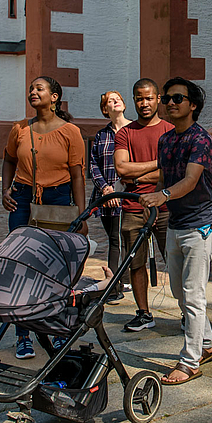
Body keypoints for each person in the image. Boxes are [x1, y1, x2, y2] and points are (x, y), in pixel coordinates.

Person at [139, 78, 212, 384]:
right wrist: (145, 186)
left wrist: (163, 196)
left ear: (193, 105)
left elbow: (190, 179)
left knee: (193, 295)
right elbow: (166, 172)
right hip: (176, 221)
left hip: (200, 224)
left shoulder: (201, 139)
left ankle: (190, 361)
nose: (171, 103)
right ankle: (209, 344)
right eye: (168, 99)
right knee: (179, 292)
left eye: (178, 98)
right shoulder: (167, 139)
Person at [1, 76, 87, 358]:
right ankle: (23, 334)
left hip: (58, 200)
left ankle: (56, 330)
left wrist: (80, 212)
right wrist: (5, 189)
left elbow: (77, 174)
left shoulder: (71, 132)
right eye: (31, 89)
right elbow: (9, 160)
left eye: (39, 88)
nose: (33, 92)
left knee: (56, 268)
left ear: (55, 97)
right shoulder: (19, 129)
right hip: (24, 199)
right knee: (20, 265)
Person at [114, 79, 174, 332]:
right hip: (133, 207)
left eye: (149, 98)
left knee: (176, 262)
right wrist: (156, 164)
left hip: (166, 206)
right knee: (135, 262)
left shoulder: (171, 130)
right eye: (139, 98)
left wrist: (136, 174)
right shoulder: (125, 133)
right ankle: (144, 313)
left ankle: (186, 313)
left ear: (158, 99)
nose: (144, 103)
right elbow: (121, 168)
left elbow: (172, 174)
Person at [88, 90, 130, 300]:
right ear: (105, 109)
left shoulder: (133, 130)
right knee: (115, 239)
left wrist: (119, 190)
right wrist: (105, 188)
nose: (116, 103)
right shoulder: (101, 135)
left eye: (118, 99)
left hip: (128, 195)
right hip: (105, 197)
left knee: (121, 240)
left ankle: (115, 287)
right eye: (110, 101)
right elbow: (93, 164)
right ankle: (123, 278)